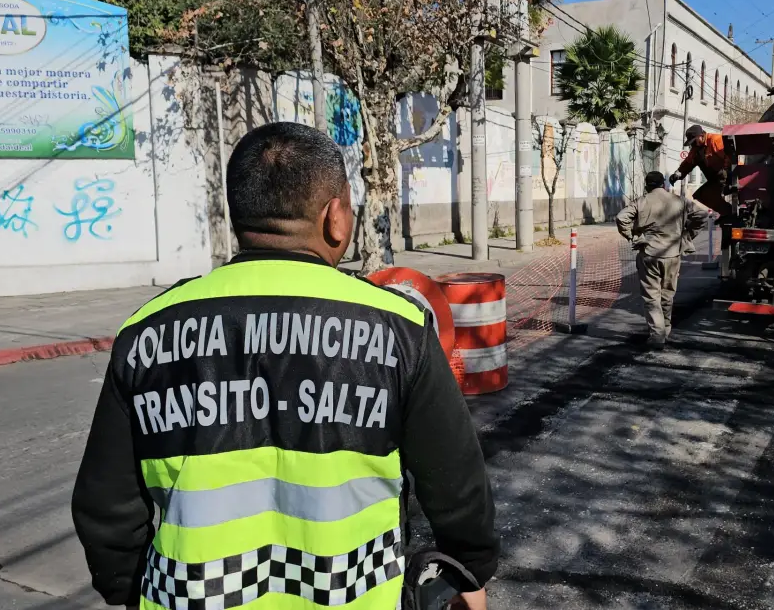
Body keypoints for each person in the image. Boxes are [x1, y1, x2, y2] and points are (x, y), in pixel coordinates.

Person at [72, 122, 498, 610]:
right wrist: (468, 571)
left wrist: (132, 591)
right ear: (335, 217)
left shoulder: (146, 331)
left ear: (239, 215)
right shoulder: (398, 327)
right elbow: (455, 483)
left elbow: (105, 507)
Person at [616, 171, 708, 348]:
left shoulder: (642, 201)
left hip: (649, 254)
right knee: (667, 295)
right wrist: (688, 235)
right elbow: (702, 215)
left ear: (647, 185)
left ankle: (657, 336)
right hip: (673, 254)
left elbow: (621, 218)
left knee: (652, 297)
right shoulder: (679, 200)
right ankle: (665, 329)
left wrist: (632, 237)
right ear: (664, 185)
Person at [669, 124, 735, 221]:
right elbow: (688, 163)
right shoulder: (696, 150)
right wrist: (678, 173)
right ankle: (728, 213)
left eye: (693, 141)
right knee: (703, 195)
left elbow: (729, 155)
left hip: (731, 174)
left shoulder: (715, 140)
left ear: (701, 136)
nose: (692, 144)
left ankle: (731, 213)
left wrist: (725, 170)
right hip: (716, 178)